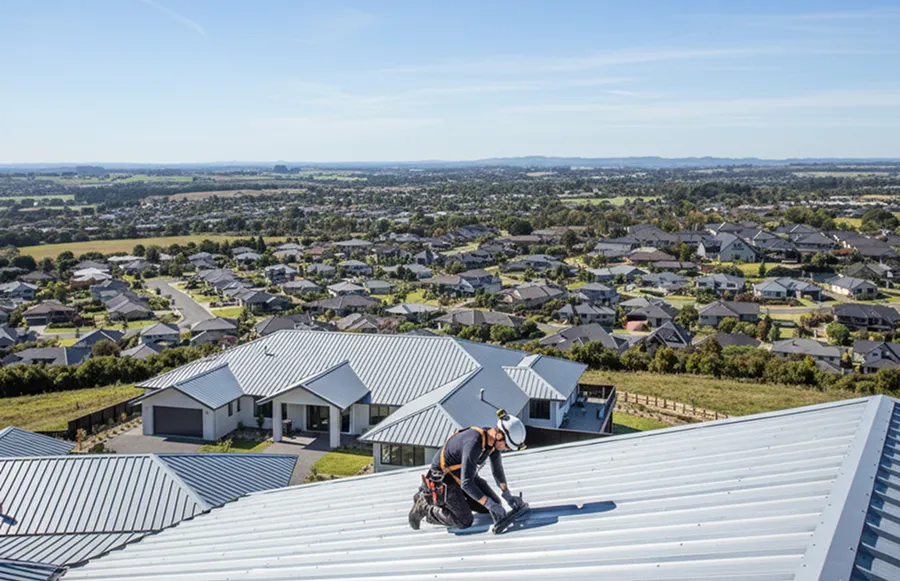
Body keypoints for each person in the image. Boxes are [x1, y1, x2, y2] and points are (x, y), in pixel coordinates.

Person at [408, 410, 526, 530]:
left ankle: (457, 504)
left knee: (494, 504)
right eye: (507, 446)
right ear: (499, 436)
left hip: (462, 475)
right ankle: (425, 507)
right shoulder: (474, 442)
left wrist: (507, 495)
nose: (505, 449)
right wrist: (489, 504)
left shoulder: (492, 443)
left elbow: (497, 470)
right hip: (444, 478)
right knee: (464, 520)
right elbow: (466, 483)